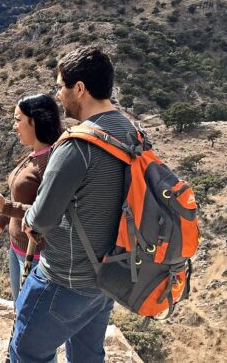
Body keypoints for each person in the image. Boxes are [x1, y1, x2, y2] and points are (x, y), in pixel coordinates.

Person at [9, 47, 137, 363]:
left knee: (26, 350)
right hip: (109, 273)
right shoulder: (132, 132)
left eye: (61, 86)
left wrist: (27, 219)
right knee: (86, 355)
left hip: (65, 277)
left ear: (79, 88)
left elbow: (40, 221)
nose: (58, 94)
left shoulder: (76, 145)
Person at [0, 94, 62, 301]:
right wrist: (0, 225)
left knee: (30, 313)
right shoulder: (33, 154)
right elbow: (18, 195)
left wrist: (5, 206)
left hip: (37, 254)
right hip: (17, 248)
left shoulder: (50, 161)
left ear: (34, 121)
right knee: (20, 308)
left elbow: (48, 213)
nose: (14, 126)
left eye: (18, 120)